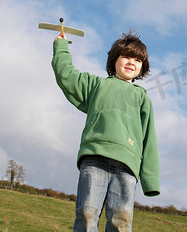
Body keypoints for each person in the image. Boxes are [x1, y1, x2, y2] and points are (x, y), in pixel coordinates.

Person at [52, 30, 160, 232]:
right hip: (94, 158)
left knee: (121, 220)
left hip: (127, 166)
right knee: (86, 213)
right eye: (126, 56)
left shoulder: (142, 97)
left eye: (137, 60)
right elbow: (66, 75)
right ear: (114, 61)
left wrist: (150, 179)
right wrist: (61, 47)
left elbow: (149, 138)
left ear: (142, 67)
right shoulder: (96, 85)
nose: (131, 62)